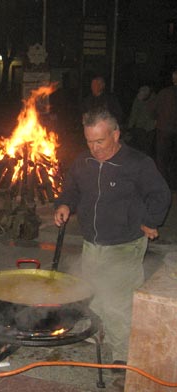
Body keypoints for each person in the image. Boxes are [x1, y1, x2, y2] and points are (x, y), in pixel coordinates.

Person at [54, 108, 171, 366]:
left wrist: (150, 221)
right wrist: (64, 204)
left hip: (124, 244)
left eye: (100, 141)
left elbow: (160, 194)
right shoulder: (83, 162)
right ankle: (99, 335)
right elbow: (71, 188)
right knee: (93, 292)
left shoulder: (137, 163)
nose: (94, 148)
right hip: (92, 242)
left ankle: (123, 357)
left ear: (116, 134)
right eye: (89, 141)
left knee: (117, 301)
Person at [149, 69, 177, 188]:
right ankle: (174, 183)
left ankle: (164, 185)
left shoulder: (165, 93)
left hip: (165, 129)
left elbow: (153, 109)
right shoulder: (166, 93)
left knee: (162, 159)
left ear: (173, 79)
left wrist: (156, 117)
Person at [126, 85, 156, 157]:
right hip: (139, 127)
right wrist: (129, 127)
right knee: (138, 147)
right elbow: (134, 113)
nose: (141, 98)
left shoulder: (155, 99)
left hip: (150, 128)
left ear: (147, 95)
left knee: (147, 148)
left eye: (143, 96)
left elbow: (157, 114)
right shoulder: (137, 99)